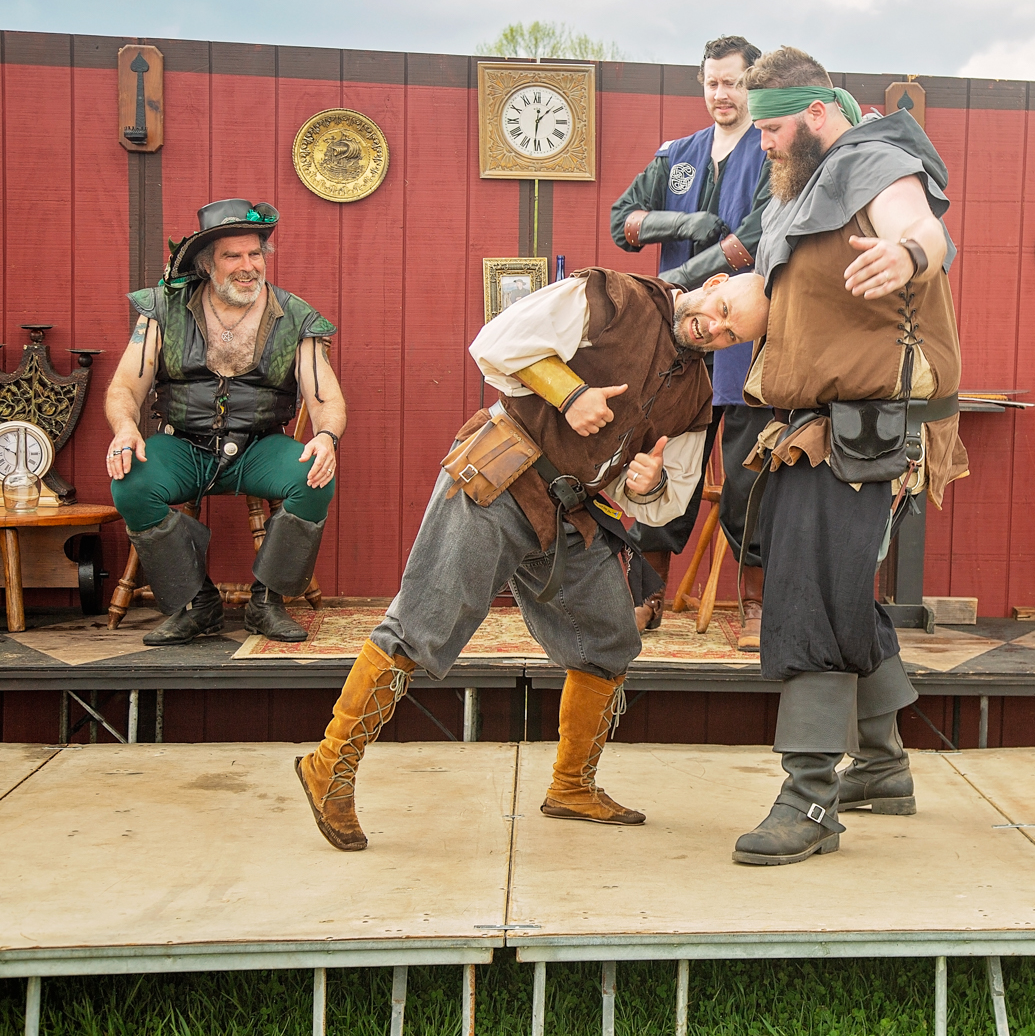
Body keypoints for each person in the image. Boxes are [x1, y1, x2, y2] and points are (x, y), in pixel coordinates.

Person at [293, 265, 768, 852]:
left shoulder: (695, 396)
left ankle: (572, 786)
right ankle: (330, 765)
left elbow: (666, 497)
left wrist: (647, 484)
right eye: (722, 312)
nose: (715, 330)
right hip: (500, 474)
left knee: (608, 639)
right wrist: (570, 394)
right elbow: (497, 342)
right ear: (715, 283)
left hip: (570, 510)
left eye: (731, 336)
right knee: (422, 625)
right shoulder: (613, 296)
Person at [730, 46, 968, 866]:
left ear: (816, 113)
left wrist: (908, 254)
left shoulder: (873, 161)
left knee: (809, 596)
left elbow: (920, 226)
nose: (762, 141)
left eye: (772, 127)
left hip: (868, 428)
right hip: (814, 423)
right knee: (837, 591)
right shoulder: (797, 189)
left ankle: (810, 797)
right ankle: (882, 767)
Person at [103, 199, 345, 646]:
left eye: (255, 254)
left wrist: (326, 436)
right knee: (131, 483)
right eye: (233, 256)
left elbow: (326, 397)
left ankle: (266, 602)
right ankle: (198, 603)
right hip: (182, 445)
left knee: (313, 478)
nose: (248, 266)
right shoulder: (162, 309)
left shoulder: (295, 316)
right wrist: (125, 428)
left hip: (259, 447)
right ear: (207, 264)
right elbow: (124, 388)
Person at [611, 35, 775, 644]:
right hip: (678, 345)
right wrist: (683, 221)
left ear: (753, 83)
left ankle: (754, 604)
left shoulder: (772, 150)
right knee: (659, 460)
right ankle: (645, 596)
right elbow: (623, 222)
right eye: (712, 82)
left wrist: (671, 284)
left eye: (733, 82)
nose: (721, 94)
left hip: (742, 338)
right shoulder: (677, 154)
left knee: (747, 479)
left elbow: (752, 240)